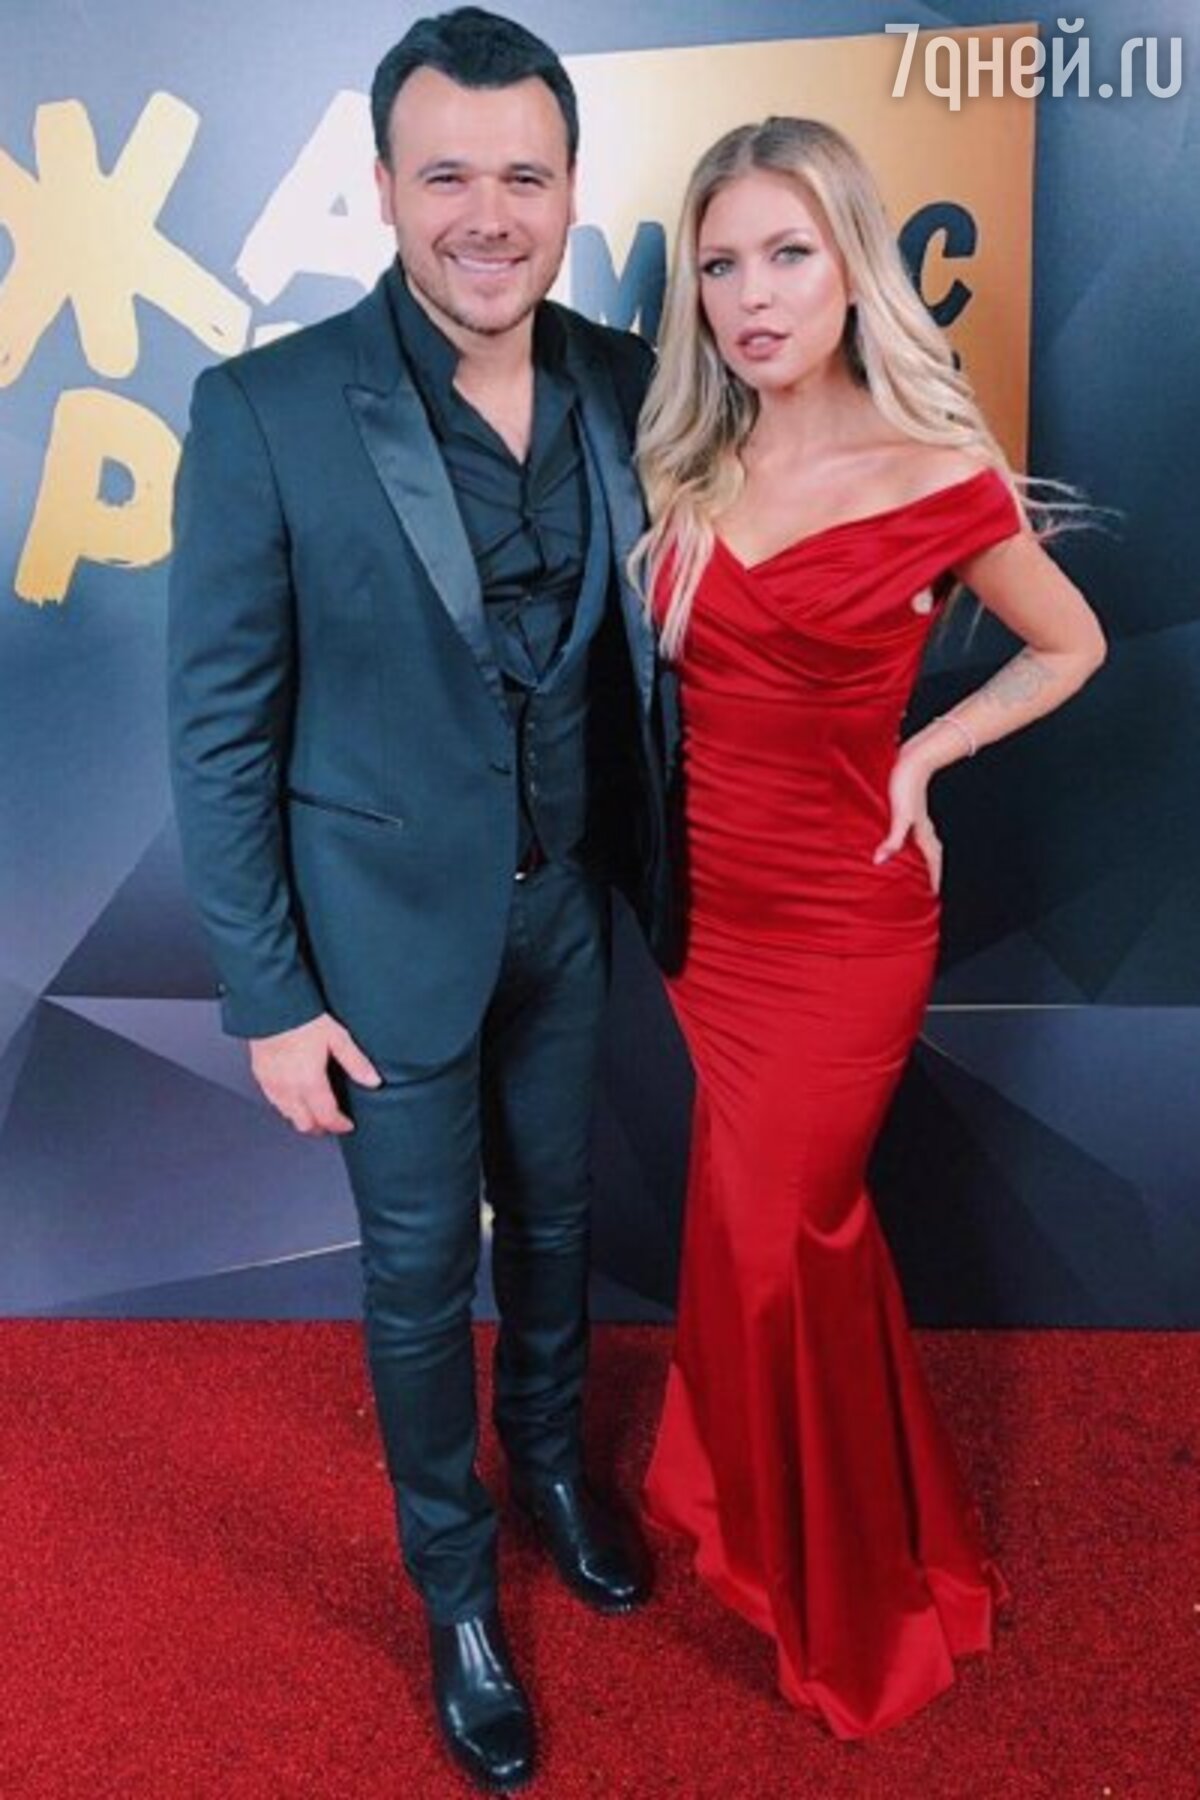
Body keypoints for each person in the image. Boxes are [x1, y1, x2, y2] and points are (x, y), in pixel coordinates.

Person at [167, 10, 676, 1790]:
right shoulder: (267, 407)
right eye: (446, 173)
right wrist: (267, 998)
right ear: (381, 187)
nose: (487, 214)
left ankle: (552, 1470)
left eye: (523, 176)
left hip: (568, 912)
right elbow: (220, 729)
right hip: (376, 942)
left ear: (570, 191)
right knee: (412, 1280)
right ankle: (455, 1591)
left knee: (558, 1223)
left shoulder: (628, 378)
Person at [633, 117, 1106, 1740]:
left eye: (787, 254)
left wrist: (926, 751)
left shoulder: (936, 476)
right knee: (749, 1227)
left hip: (845, 921)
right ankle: (741, 1501)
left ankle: (862, 1599)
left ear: (853, 266)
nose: (752, 296)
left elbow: (1070, 645)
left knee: (790, 1236)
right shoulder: (680, 464)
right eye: (719, 265)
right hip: (706, 919)